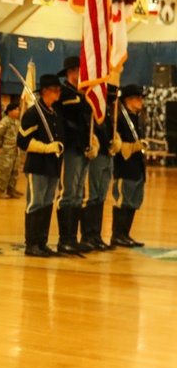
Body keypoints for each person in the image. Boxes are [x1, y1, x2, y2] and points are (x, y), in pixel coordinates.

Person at [17, 75, 64, 257]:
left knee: (46, 204)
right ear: (45, 91)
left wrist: (59, 145)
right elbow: (22, 140)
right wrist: (45, 148)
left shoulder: (55, 112)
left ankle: (42, 243)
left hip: (53, 166)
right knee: (35, 204)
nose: (58, 93)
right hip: (37, 166)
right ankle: (31, 244)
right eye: (55, 90)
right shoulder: (33, 113)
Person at [54, 56, 95, 254]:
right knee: (68, 192)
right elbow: (84, 107)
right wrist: (89, 97)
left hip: (82, 147)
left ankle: (73, 238)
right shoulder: (65, 93)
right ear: (72, 72)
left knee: (79, 193)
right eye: (82, 72)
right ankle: (65, 240)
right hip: (70, 147)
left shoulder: (80, 94)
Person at [80, 84, 117, 251]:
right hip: (96, 158)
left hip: (107, 156)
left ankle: (96, 235)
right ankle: (87, 235)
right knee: (92, 196)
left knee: (101, 196)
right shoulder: (91, 113)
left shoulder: (107, 114)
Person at [110, 84, 147, 248]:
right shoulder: (120, 119)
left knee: (133, 202)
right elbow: (118, 146)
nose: (140, 102)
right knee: (123, 201)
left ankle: (125, 234)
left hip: (137, 167)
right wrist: (135, 146)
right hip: (124, 167)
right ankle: (117, 235)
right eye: (137, 98)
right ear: (127, 100)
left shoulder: (136, 118)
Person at [0, 101, 23, 199]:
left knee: (14, 171)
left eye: (18, 109)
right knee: (5, 171)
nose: (17, 111)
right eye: (15, 109)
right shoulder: (5, 122)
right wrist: (2, 145)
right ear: (9, 111)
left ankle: (11, 189)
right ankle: (2, 190)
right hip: (7, 151)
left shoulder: (17, 122)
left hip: (15, 151)